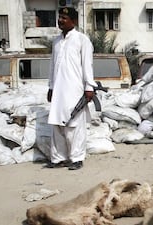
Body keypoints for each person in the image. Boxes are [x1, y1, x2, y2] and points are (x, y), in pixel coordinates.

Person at [46, 7, 97, 170]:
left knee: (74, 125)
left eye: (64, 18)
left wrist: (89, 87)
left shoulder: (82, 40)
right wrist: (51, 87)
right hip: (58, 90)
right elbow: (53, 66)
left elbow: (87, 65)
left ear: (73, 21)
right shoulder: (56, 42)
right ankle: (59, 158)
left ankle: (76, 158)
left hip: (74, 89)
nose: (60, 20)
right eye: (59, 17)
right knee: (57, 124)